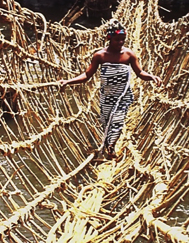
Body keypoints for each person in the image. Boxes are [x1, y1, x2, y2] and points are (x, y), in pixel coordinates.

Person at [59, 20, 162, 158]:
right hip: (106, 97)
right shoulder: (100, 55)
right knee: (106, 122)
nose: (120, 43)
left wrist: (151, 77)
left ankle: (111, 147)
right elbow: (86, 75)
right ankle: (108, 145)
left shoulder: (129, 55)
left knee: (117, 122)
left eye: (123, 40)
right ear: (109, 38)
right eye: (117, 40)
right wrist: (68, 81)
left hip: (122, 97)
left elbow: (140, 73)